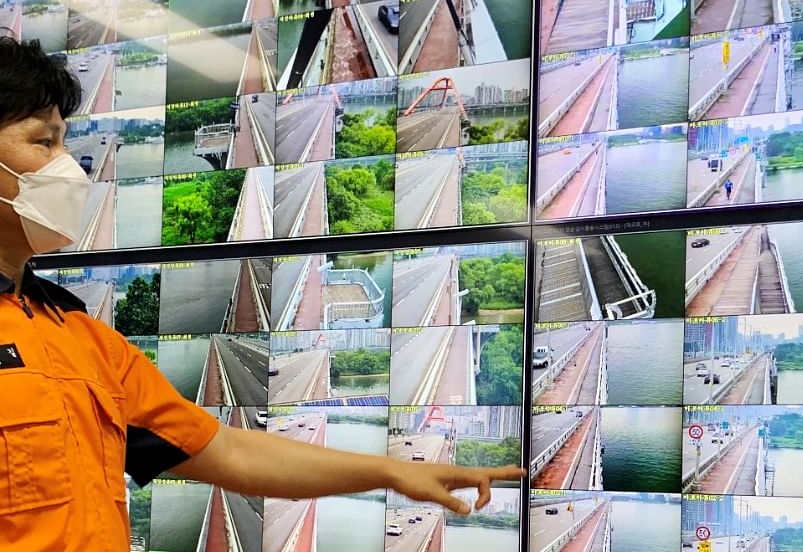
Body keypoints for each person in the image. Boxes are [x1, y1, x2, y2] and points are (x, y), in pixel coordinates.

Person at [0, 38, 522, 551]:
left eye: (67, 143)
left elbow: (228, 450)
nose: (70, 166)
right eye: (44, 142)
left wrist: (392, 471)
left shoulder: (80, 336)